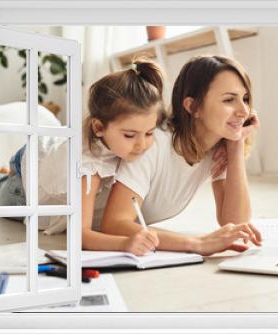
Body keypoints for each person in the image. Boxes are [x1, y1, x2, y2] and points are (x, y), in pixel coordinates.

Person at [0, 58, 173, 255]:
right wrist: (125, 244)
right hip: (25, 181)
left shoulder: (121, 141)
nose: (142, 145)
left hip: (46, 152)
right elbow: (81, 235)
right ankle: (0, 175)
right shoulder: (88, 165)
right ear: (98, 128)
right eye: (130, 135)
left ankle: (6, 169)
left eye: (149, 133)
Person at [99, 55, 262, 256]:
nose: (243, 111)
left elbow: (236, 224)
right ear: (192, 107)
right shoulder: (152, 143)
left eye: (245, 98)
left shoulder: (217, 147)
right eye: (229, 100)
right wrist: (196, 243)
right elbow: (114, 224)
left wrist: (235, 147)